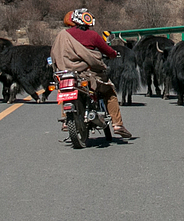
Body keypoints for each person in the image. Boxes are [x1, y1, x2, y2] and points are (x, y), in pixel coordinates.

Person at [50, 8, 134, 139]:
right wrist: (113, 54)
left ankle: (66, 119)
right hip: (89, 75)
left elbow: (54, 53)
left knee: (65, 90)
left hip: (67, 74)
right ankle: (117, 124)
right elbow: (107, 50)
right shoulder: (93, 36)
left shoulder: (62, 34)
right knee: (109, 91)